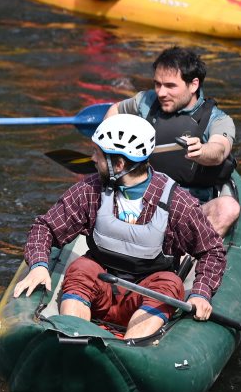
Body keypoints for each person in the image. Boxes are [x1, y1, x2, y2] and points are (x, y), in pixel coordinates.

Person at [13, 114, 226, 339]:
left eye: (98, 153)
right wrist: (38, 265)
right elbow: (45, 227)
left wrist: (201, 293)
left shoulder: (176, 202)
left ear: (120, 164)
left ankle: (130, 347)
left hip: (146, 291)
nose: (93, 159)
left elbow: (212, 251)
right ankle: (72, 337)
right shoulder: (90, 189)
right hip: (100, 284)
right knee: (81, 268)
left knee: (170, 283)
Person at [106, 46, 240, 237]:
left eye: (170, 86)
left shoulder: (218, 120)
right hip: (141, 199)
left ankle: (189, 255)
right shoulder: (146, 101)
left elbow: (218, 150)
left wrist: (201, 151)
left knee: (228, 208)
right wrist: (110, 147)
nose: (161, 93)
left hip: (188, 209)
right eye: (157, 84)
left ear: (193, 85)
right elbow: (115, 111)